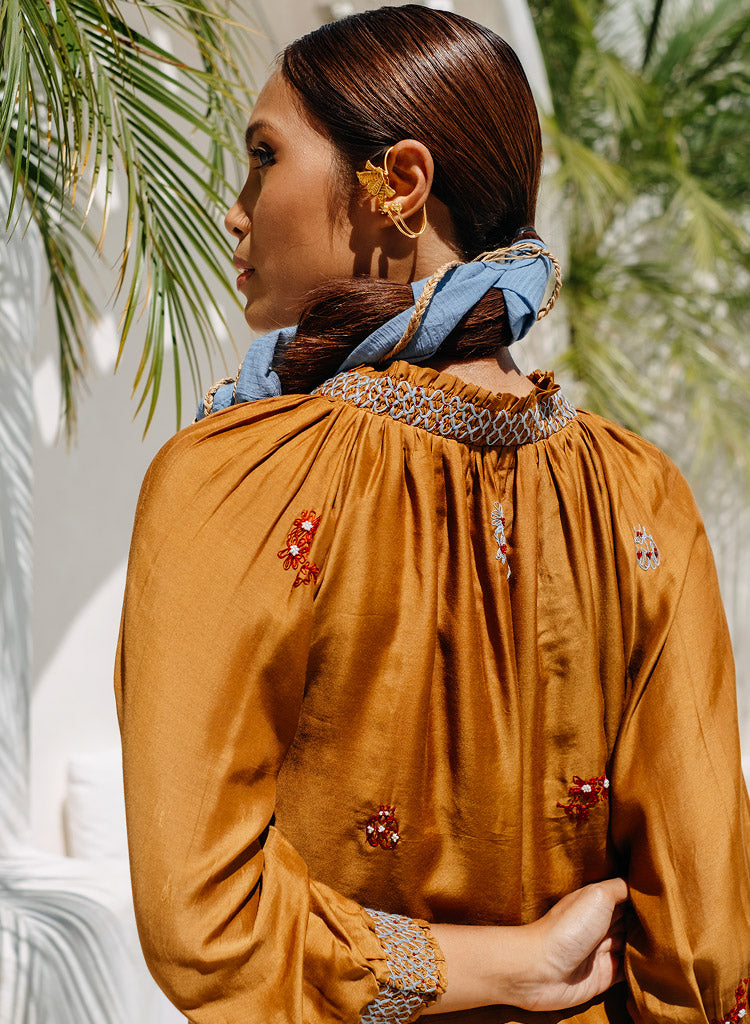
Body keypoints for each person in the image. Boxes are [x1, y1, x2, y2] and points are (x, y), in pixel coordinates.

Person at [114, 6, 750, 1024]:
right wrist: (518, 966)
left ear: (400, 184)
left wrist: (459, 969)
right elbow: (706, 939)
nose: (235, 212)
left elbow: (206, 923)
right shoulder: (641, 496)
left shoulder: (236, 481)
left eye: (264, 158)